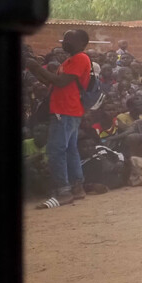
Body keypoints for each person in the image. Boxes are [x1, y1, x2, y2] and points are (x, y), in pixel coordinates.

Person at [25, 29, 92, 209]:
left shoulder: (80, 58)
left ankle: (63, 191)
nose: (64, 41)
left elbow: (61, 82)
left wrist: (37, 67)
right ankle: (77, 187)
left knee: (55, 150)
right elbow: (54, 82)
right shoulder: (69, 60)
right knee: (70, 150)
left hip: (66, 109)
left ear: (80, 42)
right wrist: (34, 68)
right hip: (67, 109)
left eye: (69, 38)